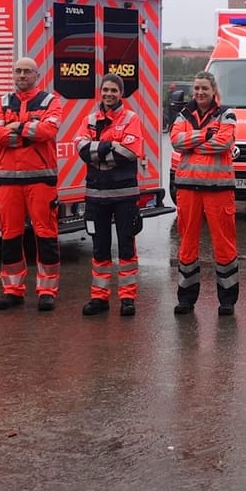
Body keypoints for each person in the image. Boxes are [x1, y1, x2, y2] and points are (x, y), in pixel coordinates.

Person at [0, 57, 64, 312]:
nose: (22, 75)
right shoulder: (2, 101)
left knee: (46, 236)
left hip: (41, 179)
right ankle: (12, 290)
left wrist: (15, 128)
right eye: (18, 71)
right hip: (9, 180)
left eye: (27, 71)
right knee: (10, 236)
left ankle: (47, 290)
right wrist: (28, 133)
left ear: (36, 75)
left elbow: (48, 132)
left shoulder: (50, 100)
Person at [170, 71, 239, 317]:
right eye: (197, 88)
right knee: (187, 246)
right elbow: (176, 141)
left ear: (213, 91)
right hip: (188, 188)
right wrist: (205, 134)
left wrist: (192, 142)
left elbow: (224, 142)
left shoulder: (227, 113)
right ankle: (186, 299)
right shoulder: (183, 114)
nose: (200, 93)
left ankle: (227, 301)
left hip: (218, 189)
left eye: (204, 89)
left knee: (224, 246)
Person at [76, 74, 145, 317]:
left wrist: (98, 150)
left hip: (124, 195)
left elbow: (131, 151)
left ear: (121, 93)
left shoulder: (131, 119)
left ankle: (127, 299)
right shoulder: (90, 119)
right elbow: (80, 148)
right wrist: (109, 147)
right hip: (95, 195)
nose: (108, 94)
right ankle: (99, 298)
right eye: (105, 90)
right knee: (99, 247)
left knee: (127, 247)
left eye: (113, 90)